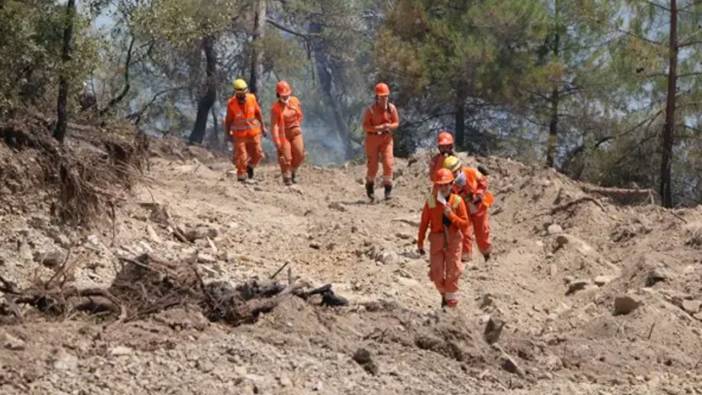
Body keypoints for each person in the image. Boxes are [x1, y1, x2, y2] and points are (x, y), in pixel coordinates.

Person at [417, 168, 470, 308]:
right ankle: (444, 295)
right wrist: (420, 242)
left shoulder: (457, 201)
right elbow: (424, 222)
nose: (444, 187)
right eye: (441, 184)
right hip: (436, 239)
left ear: (451, 184)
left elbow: (465, 224)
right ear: (436, 185)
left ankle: (451, 305)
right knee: (436, 272)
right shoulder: (431, 200)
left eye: (446, 184)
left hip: (454, 239)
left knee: (453, 271)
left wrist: (451, 215)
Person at [443, 155, 494, 262]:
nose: (453, 175)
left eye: (454, 172)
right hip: (464, 210)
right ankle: (466, 257)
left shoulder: (471, 172)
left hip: (478, 207)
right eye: (450, 173)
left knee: (482, 231)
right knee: (465, 232)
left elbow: (483, 182)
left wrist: (478, 194)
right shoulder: (449, 184)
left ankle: (487, 253)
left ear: (459, 168)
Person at [224, 78, 267, 182]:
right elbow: (228, 120)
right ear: (236, 93)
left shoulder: (252, 98)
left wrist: (263, 127)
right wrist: (227, 134)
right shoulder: (231, 104)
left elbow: (258, 113)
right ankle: (241, 176)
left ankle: (250, 167)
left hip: (254, 133)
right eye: (240, 94)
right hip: (240, 136)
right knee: (242, 157)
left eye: (244, 94)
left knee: (258, 154)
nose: (243, 96)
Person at [362, 82, 399, 201]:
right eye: (382, 96)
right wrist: (377, 128)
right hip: (372, 138)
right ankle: (370, 187)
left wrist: (389, 126)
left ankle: (388, 190)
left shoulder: (391, 108)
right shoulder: (370, 110)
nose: (384, 99)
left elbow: (396, 123)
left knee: (388, 163)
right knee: (373, 166)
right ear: (376, 97)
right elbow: (365, 126)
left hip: (386, 138)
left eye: (386, 96)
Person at [270, 80, 304, 185]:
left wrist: (297, 125)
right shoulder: (275, 108)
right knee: (286, 157)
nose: (285, 97)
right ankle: (287, 176)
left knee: (299, 154)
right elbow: (274, 125)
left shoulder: (295, 101)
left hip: (295, 131)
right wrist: (277, 140)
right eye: (283, 95)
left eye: (287, 95)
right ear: (278, 95)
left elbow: (299, 115)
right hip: (283, 134)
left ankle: (293, 171)